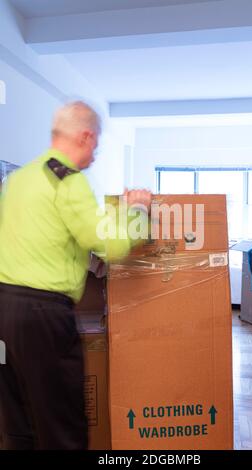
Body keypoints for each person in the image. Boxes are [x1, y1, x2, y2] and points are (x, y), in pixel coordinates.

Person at [0, 101, 151, 450]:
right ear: (85, 136)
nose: (95, 155)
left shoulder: (18, 179)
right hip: (42, 318)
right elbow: (109, 245)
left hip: (3, 312)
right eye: (96, 146)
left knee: (16, 423)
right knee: (62, 426)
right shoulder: (66, 179)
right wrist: (137, 210)